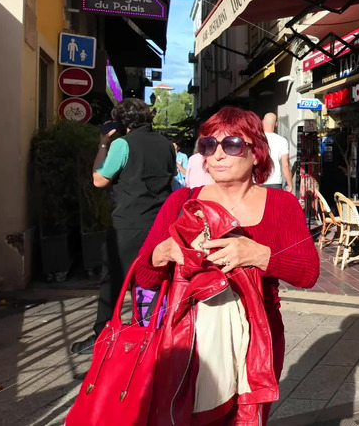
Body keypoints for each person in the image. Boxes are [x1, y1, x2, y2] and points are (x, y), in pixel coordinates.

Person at [134, 106, 320, 423]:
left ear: (257, 153)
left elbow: (308, 273)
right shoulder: (180, 202)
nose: (218, 155)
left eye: (232, 144)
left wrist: (258, 255)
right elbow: (144, 277)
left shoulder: (281, 204)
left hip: (258, 340)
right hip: (190, 340)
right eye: (208, 145)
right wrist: (162, 252)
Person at [72, 98, 176, 355]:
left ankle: (103, 336)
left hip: (128, 224)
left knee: (114, 281)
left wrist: (103, 143)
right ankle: (153, 332)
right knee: (153, 280)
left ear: (121, 122)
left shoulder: (121, 144)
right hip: (160, 224)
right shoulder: (166, 144)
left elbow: (99, 180)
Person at [261, 112, 293, 191]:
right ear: (276, 124)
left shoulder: (257, 139)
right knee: (274, 203)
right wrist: (290, 184)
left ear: (262, 122)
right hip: (275, 182)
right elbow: (285, 165)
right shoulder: (282, 141)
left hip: (258, 181)